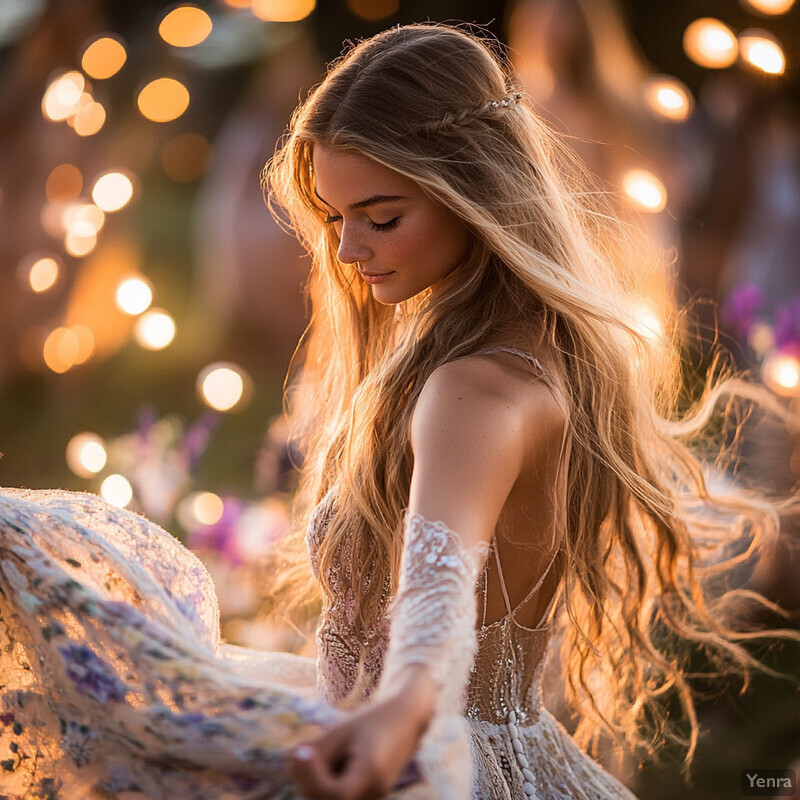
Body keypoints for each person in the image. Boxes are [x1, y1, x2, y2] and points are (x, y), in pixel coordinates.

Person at [0, 22, 796, 800]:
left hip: (427, 758)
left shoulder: (470, 395)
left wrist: (399, 714)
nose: (349, 252)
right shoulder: (543, 349)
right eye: (336, 218)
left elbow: (434, 616)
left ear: (473, 192)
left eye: (382, 218)